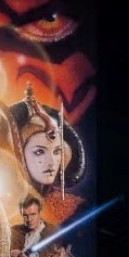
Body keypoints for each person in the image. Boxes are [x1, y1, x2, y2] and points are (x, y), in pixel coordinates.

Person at [7, 83, 85, 224]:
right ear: (19, 154)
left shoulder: (74, 208)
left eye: (57, 151)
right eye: (39, 152)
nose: (51, 161)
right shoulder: (1, 207)